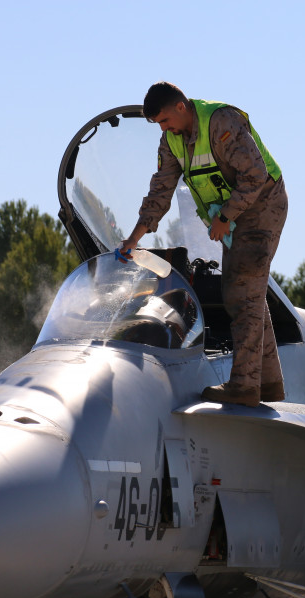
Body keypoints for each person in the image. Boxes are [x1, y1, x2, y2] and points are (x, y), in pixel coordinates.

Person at [118, 81, 288, 407]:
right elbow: (160, 191)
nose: (164, 129)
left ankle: (244, 387)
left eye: (166, 121)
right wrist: (134, 238)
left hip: (263, 203)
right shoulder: (172, 141)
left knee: (240, 292)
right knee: (248, 291)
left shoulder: (221, 121)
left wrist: (225, 216)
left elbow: (254, 175)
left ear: (181, 107)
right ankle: (267, 385)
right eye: (158, 125)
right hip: (234, 214)